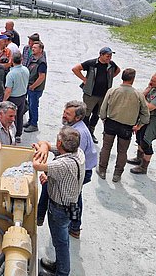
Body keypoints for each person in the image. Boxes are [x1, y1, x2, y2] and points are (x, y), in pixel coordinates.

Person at [36, 101, 97, 239]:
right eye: (64, 112)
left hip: (80, 171)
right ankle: (73, 226)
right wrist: (45, 146)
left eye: (68, 114)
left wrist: (48, 174)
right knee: (75, 197)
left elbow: (68, 160)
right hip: (79, 168)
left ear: (78, 118)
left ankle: (71, 226)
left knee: (71, 197)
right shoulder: (73, 128)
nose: (64, 115)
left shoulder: (78, 134)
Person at [33, 127, 85, 276]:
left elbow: (37, 165)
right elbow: (47, 145)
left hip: (59, 209)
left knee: (60, 242)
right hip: (69, 206)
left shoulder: (63, 164)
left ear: (60, 142)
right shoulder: (77, 153)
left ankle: (62, 272)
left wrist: (38, 152)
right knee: (62, 241)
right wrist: (43, 147)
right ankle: (59, 265)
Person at [97, 68, 150, 182]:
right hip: (127, 127)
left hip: (110, 123)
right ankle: (117, 174)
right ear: (133, 79)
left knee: (106, 148)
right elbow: (145, 114)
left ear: (122, 77)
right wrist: (139, 125)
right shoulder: (138, 95)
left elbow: (103, 109)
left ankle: (102, 170)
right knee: (122, 151)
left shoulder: (112, 90)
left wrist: (104, 119)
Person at [72, 47, 121, 144]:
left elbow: (118, 70)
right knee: (86, 113)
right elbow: (75, 69)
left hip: (104, 95)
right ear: (101, 55)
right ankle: (83, 133)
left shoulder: (111, 65)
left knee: (97, 114)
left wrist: (109, 78)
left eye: (110, 56)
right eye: (107, 56)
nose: (109, 58)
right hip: (90, 94)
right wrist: (84, 79)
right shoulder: (91, 63)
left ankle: (91, 132)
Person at [128, 72, 156, 174]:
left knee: (146, 143)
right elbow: (141, 98)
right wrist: (146, 91)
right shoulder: (153, 88)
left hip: (152, 121)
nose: (150, 82)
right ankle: (139, 158)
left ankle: (144, 167)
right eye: (151, 79)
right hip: (143, 118)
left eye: (153, 81)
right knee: (139, 138)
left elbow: (149, 107)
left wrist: (143, 99)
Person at [3, 52, 29, 143]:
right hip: (22, 96)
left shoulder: (11, 74)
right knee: (20, 116)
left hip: (13, 98)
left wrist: (4, 100)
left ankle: (12, 134)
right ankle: (18, 134)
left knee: (12, 117)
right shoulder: (26, 70)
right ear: (21, 60)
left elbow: (8, 90)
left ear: (12, 61)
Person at [24, 41, 47, 133]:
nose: (32, 49)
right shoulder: (34, 59)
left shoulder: (41, 62)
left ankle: (34, 124)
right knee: (31, 104)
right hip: (31, 86)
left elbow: (42, 77)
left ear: (41, 50)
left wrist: (33, 86)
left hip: (35, 88)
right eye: (32, 47)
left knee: (33, 106)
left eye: (35, 48)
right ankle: (30, 121)